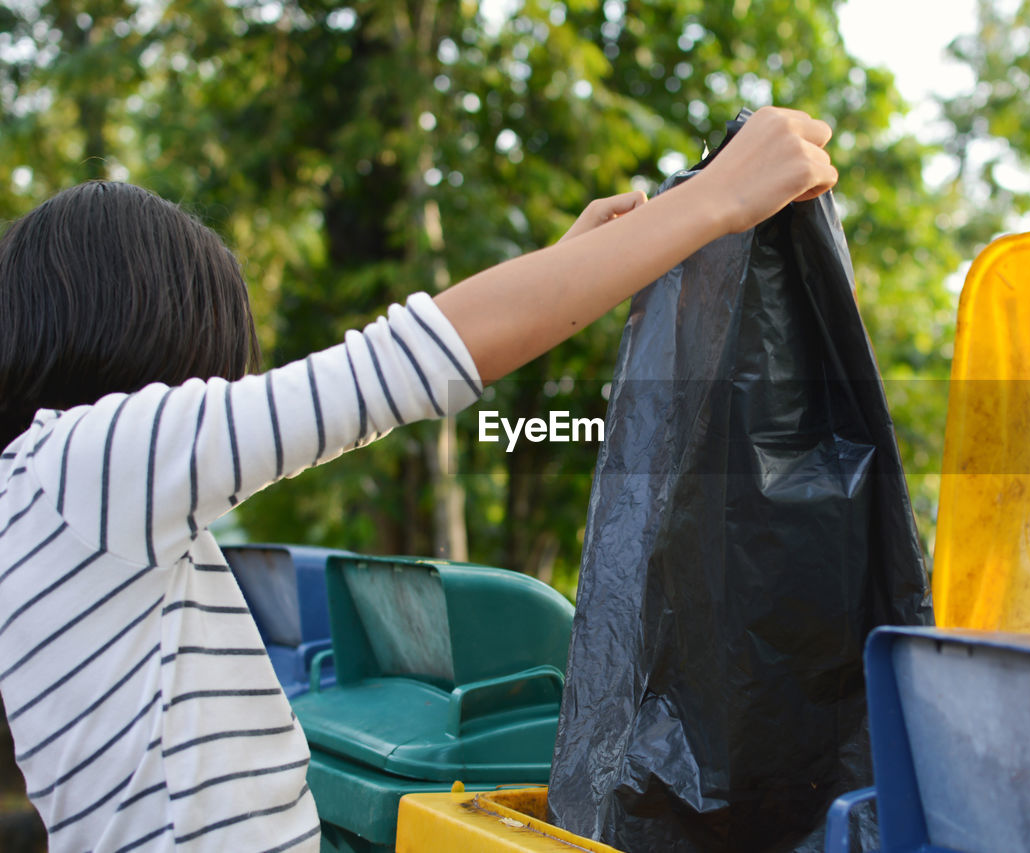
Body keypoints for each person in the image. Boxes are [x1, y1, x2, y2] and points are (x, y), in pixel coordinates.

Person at [0, 106, 837, 852]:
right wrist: (717, 200)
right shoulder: (84, 463)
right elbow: (388, 372)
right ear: (141, 336)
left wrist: (562, 266)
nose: (214, 400)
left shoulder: (50, 504)